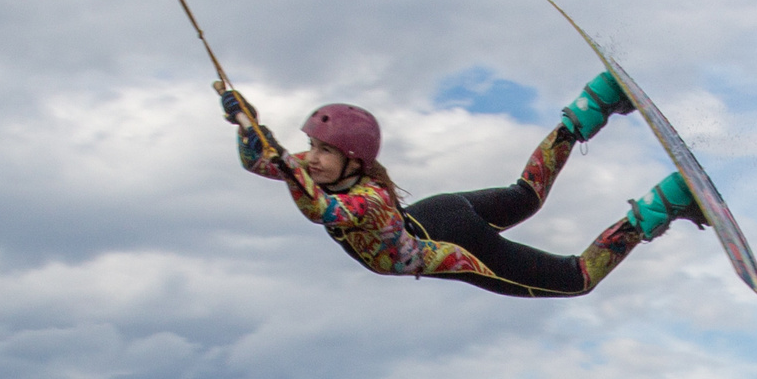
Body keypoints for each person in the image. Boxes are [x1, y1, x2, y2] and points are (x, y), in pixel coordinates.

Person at [220, 73, 706, 298]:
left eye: (323, 152)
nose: (314, 159)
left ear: (354, 160)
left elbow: (320, 211)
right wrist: (246, 127)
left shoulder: (366, 201)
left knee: (578, 278)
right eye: (311, 148)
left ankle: (658, 208)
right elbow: (259, 162)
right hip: (439, 214)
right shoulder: (328, 169)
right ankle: (591, 107)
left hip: (456, 242)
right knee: (526, 196)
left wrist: (284, 162)